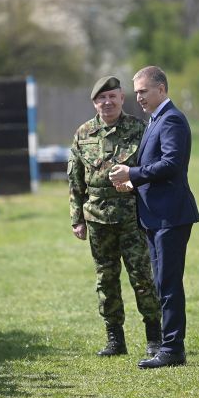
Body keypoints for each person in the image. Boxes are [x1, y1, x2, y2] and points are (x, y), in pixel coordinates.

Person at [109, 66, 199, 369]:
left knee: (168, 283)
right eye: (136, 92)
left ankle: (173, 348)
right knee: (163, 283)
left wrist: (132, 172)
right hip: (155, 216)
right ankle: (167, 345)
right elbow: (159, 167)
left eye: (143, 91)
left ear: (161, 89)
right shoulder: (155, 119)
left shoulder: (171, 118)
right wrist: (134, 184)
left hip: (170, 217)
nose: (139, 97)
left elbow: (172, 163)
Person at [69, 76, 162, 357]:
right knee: (106, 280)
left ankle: (154, 338)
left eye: (112, 97)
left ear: (122, 98)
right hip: (97, 219)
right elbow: (75, 180)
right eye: (101, 98)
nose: (107, 102)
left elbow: (151, 170)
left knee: (142, 279)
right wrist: (77, 219)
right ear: (94, 103)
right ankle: (115, 339)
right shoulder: (83, 133)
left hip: (132, 218)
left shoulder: (138, 129)